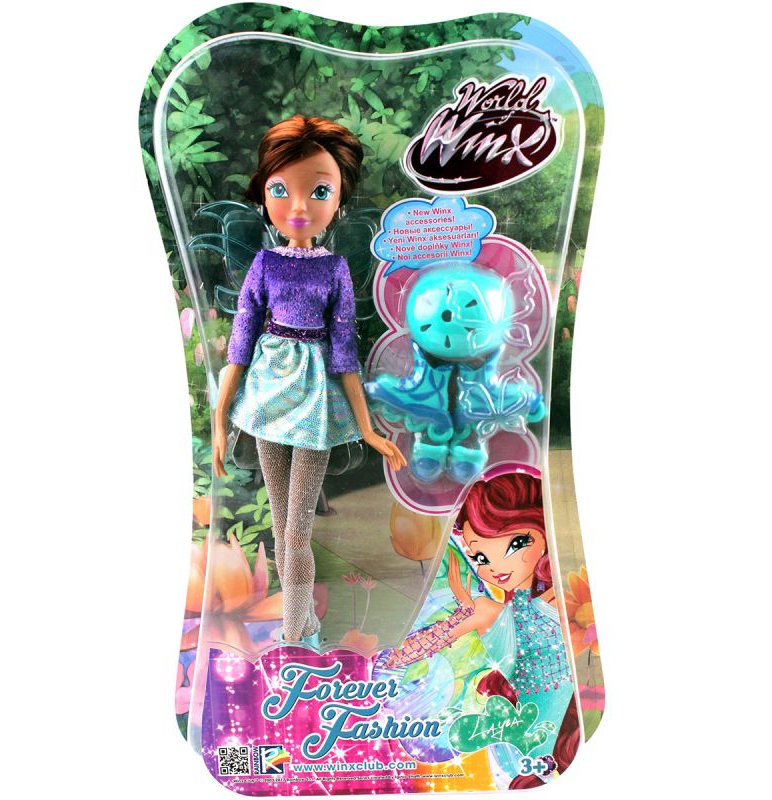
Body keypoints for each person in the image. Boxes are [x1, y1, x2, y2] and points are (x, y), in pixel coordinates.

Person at [212, 115, 406, 644]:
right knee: (283, 528)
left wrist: (367, 429)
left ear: (338, 201)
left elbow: (344, 351)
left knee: (297, 530)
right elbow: (241, 342)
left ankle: (296, 635)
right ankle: (300, 626)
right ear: (264, 194)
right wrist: (220, 419)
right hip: (267, 395)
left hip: (316, 399)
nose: (299, 207)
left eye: (319, 191)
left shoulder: (334, 268)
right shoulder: (264, 264)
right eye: (281, 190)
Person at [378, 470, 577, 783]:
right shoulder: (489, 611)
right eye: (481, 557)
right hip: (526, 748)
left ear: (543, 532)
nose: (495, 567)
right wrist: (461, 616)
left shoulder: (563, 595)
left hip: (563, 732)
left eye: (516, 543)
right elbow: (404, 655)